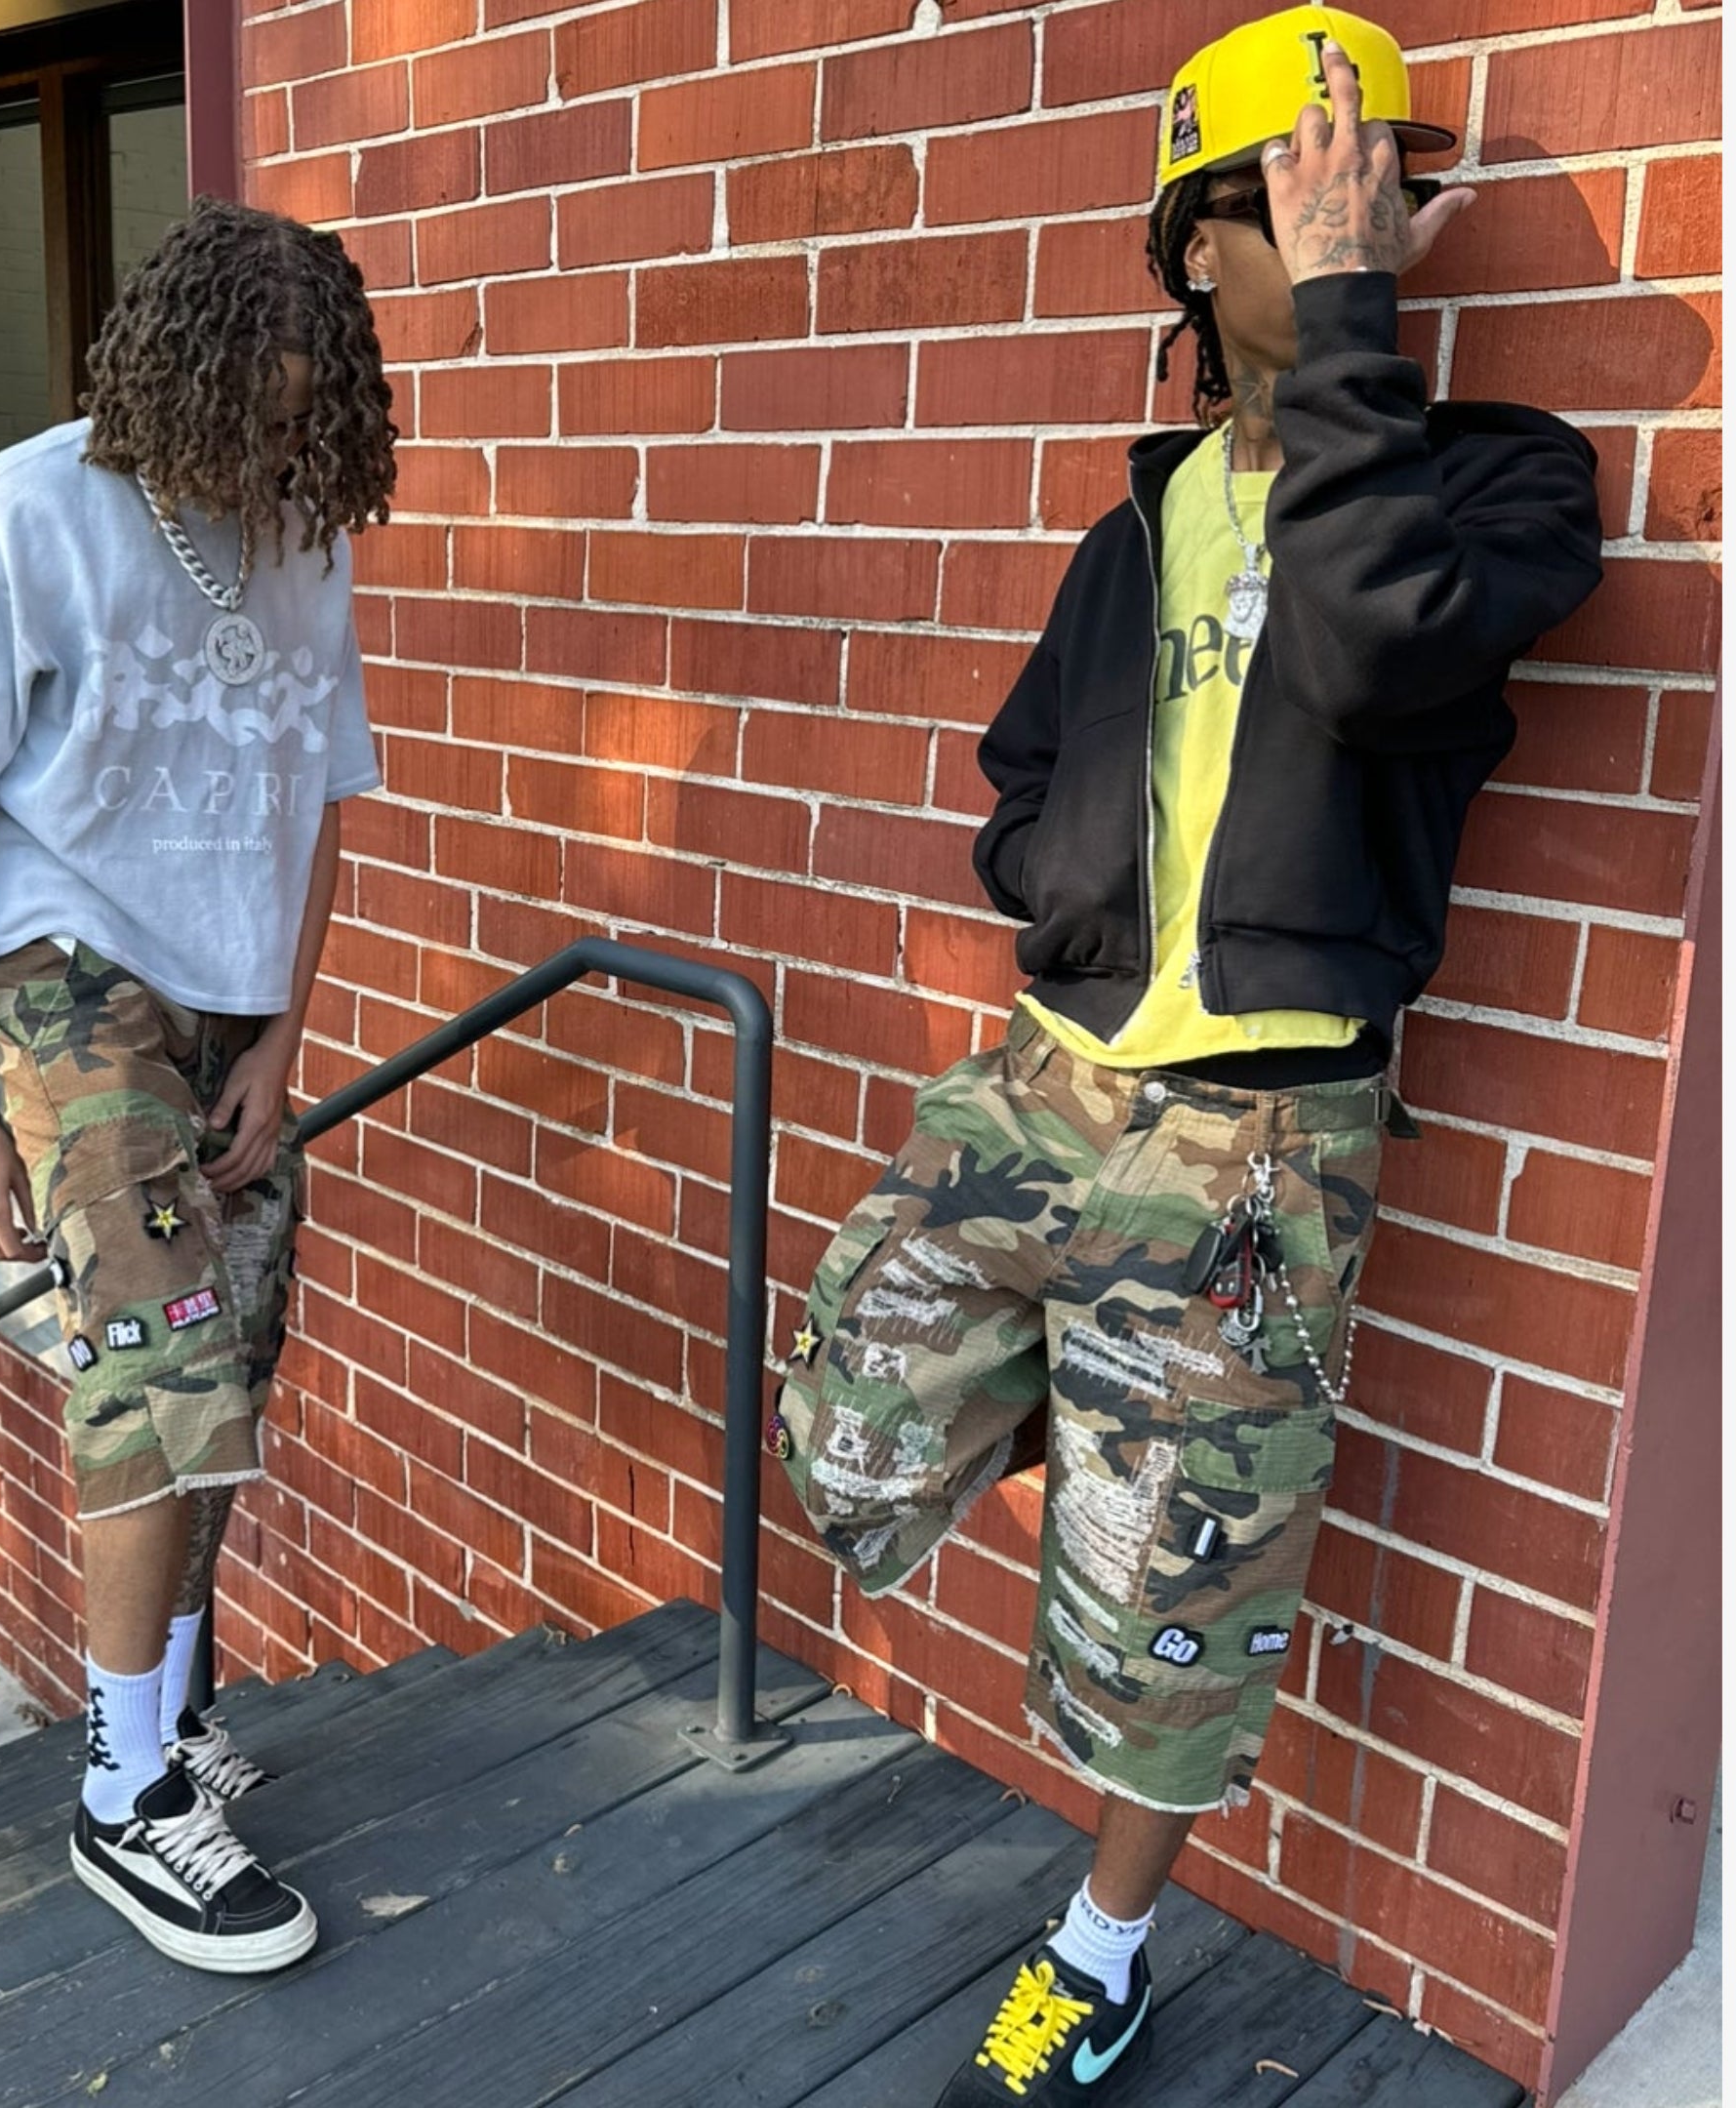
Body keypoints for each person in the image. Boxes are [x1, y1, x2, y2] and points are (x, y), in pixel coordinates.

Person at [771, 8, 1602, 2098]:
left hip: (1257, 1147)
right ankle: (1106, 1404)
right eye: (1301, 192)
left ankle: (1104, 1951)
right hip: (1042, 1084)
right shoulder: (1135, 528)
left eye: (1381, 180)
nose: (1359, 212)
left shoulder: (1494, 480)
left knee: (1172, 1615)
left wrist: (1352, 325)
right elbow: (1022, 765)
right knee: (844, 1435)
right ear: (1194, 247)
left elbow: (1376, 641)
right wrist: (1051, 880)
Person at [0, 195, 395, 1973]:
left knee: (233, 1367)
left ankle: (168, 1721)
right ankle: (120, 1795)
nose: (269, 452)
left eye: (301, 419)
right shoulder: (22, 513)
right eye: (249, 414)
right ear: (172, 375)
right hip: (67, 977)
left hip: (232, 1008)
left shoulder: (305, 534)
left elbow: (322, 808)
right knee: (161, 1372)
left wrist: (285, 1039)